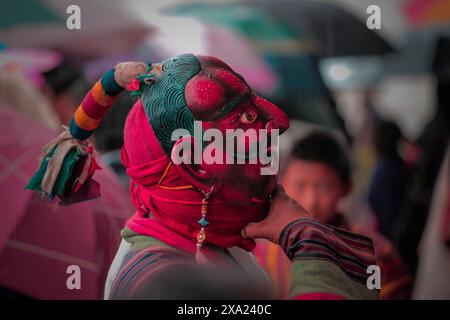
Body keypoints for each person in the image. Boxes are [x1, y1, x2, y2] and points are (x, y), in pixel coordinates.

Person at [27, 54, 379, 300]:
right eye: (244, 121)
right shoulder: (162, 282)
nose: (278, 123)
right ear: (196, 166)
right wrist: (308, 237)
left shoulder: (204, 246)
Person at [255, 131, 411, 299]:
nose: (310, 201)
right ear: (282, 183)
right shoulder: (263, 254)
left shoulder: (376, 254)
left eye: (324, 187)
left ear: (347, 188)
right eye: (300, 186)